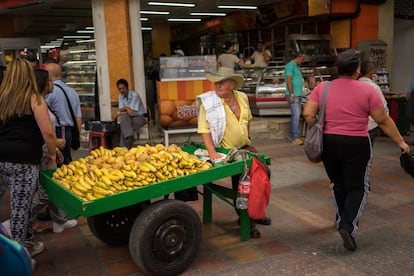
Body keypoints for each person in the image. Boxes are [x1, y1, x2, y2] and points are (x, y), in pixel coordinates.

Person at [303, 49, 410, 252]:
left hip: (329, 142)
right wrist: (401, 142)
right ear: (358, 69)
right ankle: (347, 225)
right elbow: (382, 120)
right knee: (359, 186)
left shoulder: (323, 87)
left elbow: (308, 114)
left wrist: (319, 127)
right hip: (356, 144)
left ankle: (342, 218)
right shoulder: (367, 90)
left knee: (338, 183)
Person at [197, 67, 272, 239]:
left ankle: (257, 211)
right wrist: (212, 152)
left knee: (265, 174)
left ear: (231, 84)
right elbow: (204, 130)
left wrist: (248, 139)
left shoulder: (242, 97)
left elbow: (248, 120)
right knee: (243, 183)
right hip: (227, 151)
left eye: (221, 82)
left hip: (245, 146)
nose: (217, 85)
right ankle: (247, 221)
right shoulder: (209, 103)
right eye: (216, 82)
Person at [0, 58, 57, 267]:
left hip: (2, 158)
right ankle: (17, 261)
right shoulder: (34, 99)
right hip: (24, 161)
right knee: (20, 210)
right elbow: (48, 132)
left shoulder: (2, 98)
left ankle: (28, 243)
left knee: (18, 206)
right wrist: (51, 153)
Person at [31, 69, 78, 234]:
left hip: (49, 148)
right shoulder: (37, 102)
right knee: (45, 191)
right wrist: (53, 147)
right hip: (44, 152)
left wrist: (55, 147)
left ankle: (60, 221)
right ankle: (20, 218)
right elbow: (41, 131)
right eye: (50, 81)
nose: (53, 84)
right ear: (43, 83)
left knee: (53, 187)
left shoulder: (42, 100)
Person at [45, 62, 82, 165]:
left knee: (55, 162)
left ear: (50, 76)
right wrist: (76, 136)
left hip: (56, 132)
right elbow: (78, 118)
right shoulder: (73, 92)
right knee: (66, 163)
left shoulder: (50, 92)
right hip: (69, 131)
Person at [359, 61, 389, 144]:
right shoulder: (374, 88)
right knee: (368, 152)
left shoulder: (354, 85)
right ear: (371, 72)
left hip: (355, 126)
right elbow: (383, 110)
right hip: (370, 126)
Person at [116, 78, 147, 148]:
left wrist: (119, 113)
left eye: (123, 88)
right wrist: (126, 108)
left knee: (124, 124)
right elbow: (121, 109)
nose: (121, 91)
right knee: (125, 122)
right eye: (119, 89)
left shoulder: (135, 95)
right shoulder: (120, 96)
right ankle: (129, 138)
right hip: (128, 118)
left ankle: (123, 147)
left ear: (127, 87)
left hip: (140, 118)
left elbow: (131, 112)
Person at [285, 51, 306, 145]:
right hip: (293, 95)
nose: (303, 61)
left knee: (296, 115)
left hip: (298, 94)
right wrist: (292, 94)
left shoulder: (297, 67)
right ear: (298, 57)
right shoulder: (290, 66)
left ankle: (293, 135)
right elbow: (289, 80)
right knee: (296, 115)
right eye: (302, 59)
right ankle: (295, 137)